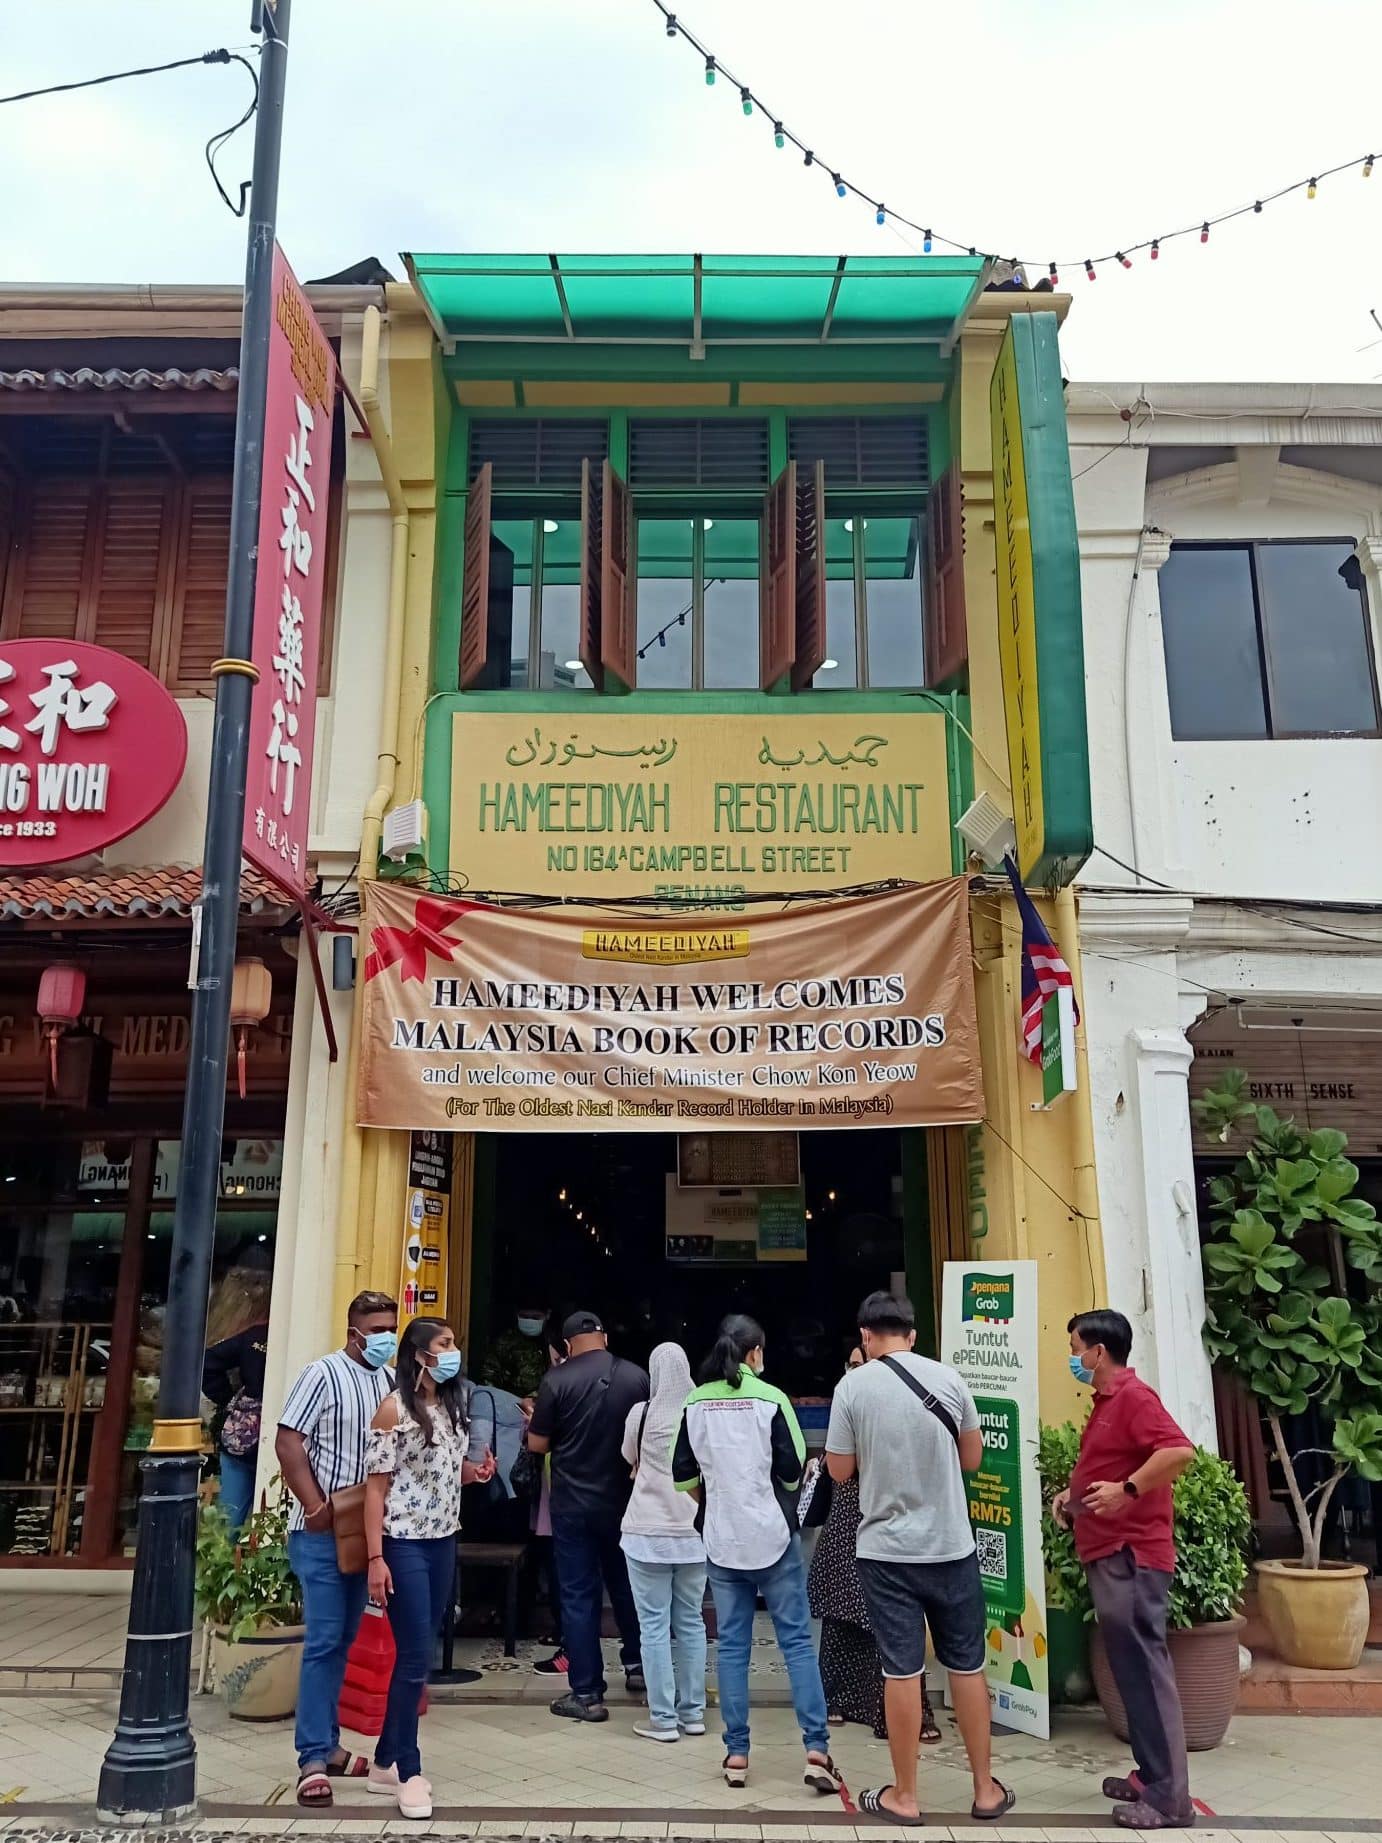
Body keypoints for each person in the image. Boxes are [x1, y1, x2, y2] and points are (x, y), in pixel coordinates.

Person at [826, 1292, 1013, 1828]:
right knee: (967, 1666)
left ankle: (905, 1795)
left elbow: (839, 1471)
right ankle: (984, 1791)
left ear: (866, 1335)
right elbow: (972, 1457)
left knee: (901, 1671)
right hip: (952, 1547)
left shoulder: (852, 1387)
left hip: (886, 1554)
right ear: (911, 1335)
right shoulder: (949, 1380)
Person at [673, 1314, 843, 1798]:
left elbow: (682, 1475)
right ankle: (815, 1750)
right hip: (773, 1537)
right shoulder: (772, 1399)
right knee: (796, 1644)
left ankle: (737, 1754)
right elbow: (791, 1471)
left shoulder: (695, 1401)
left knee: (730, 1647)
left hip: (722, 1541)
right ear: (755, 1354)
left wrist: (717, 1502)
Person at [1055, 1310, 1196, 1832]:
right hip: (1108, 1552)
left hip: (1131, 1557)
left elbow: (1180, 1451)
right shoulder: (1107, 1402)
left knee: (1145, 1671)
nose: (1072, 1357)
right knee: (1130, 1672)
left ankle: (1169, 1800)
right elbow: (1107, 1468)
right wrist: (1072, 1498)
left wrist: (1128, 1490)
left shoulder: (1135, 1398)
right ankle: (1150, 1777)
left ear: (1098, 1351)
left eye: (1075, 1347)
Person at [363, 1317, 496, 1819]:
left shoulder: (452, 1407)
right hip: (402, 1543)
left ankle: (382, 1760)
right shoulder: (393, 1410)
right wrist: (376, 1557)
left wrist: (474, 1474)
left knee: (421, 1647)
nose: (453, 1352)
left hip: (443, 1539)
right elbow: (376, 1488)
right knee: (416, 1655)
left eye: (455, 1343)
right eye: (444, 1344)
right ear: (419, 1354)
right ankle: (409, 1769)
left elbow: (444, 1469)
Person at [275, 1290, 399, 1808]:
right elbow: (288, 1441)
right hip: (325, 1528)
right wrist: (314, 1503)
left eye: (391, 1328)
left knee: (346, 1636)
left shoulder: (390, 1380)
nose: (386, 1338)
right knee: (326, 1640)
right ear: (353, 1333)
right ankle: (310, 1757)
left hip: (365, 1529)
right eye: (377, 1330)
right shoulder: (321, 1374)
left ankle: (329, 1746)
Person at [808, 1349, 940, 1745]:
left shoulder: (904, 1403)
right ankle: (834, 1698)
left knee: (892, 1622)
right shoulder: (846, 1399)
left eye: (861, 1362)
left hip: (889, 1523)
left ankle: (904, 1713)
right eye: (850, 1363)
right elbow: (839, 1466)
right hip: (849, 1523)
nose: (854, 1370)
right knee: (841, 1616)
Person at [526, 1308, 649, 1721]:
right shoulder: (635, 1377)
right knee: (628, 1587)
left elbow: (538, 1446)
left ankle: (587, 1693)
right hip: (623, 1504)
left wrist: (536, 1423)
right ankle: (638, 1668)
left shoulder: (555, 1380)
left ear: (566, 1345)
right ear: (605, 1337)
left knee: (579, 1597)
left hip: (573, 1507)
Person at [620, 1341, 707, 1743]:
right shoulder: (700, 1411)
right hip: (693, 1533)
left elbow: (628, 1455)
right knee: (690, 1621)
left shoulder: (642, 1413)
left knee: (652, 1627)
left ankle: (663, 1719)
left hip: (646, 1534)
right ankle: (693, 1714)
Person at [202, 1244, 273, 1530]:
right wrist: (229, 1399)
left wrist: (230, 1401)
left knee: (229, 1521)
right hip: (280, 1436)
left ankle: (216, 1570)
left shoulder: (252, 1335)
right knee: (271, 1519)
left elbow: (209, 1364)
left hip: (243, 1437)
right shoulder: (275, 1333)